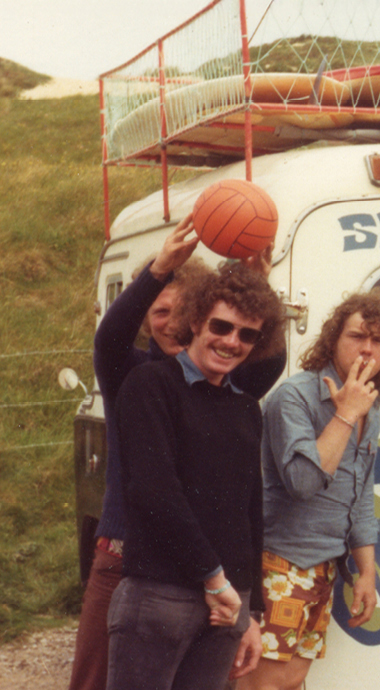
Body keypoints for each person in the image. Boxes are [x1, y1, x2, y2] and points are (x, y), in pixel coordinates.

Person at [74, 219, 283, 690]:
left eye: (177, 310)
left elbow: (263, 353)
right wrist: (159, 270)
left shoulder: (231, 391)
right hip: (132, 554)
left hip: (210, 575)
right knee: (91, 680)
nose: (168, 323)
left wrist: (252, 289)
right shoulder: (135, 374)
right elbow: (109, 337)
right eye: (159, 311)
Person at [240, 292, 380, 690]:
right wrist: (345, 414)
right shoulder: (295, 397)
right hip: (279, 561)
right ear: (333, 341)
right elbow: (302, 483)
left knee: (293, 679)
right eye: (357, 336)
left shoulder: (369, 406)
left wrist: (366, 572)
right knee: (263, 683)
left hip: (323, 567)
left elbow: (361, 495)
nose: (367, 349)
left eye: (378, 340)